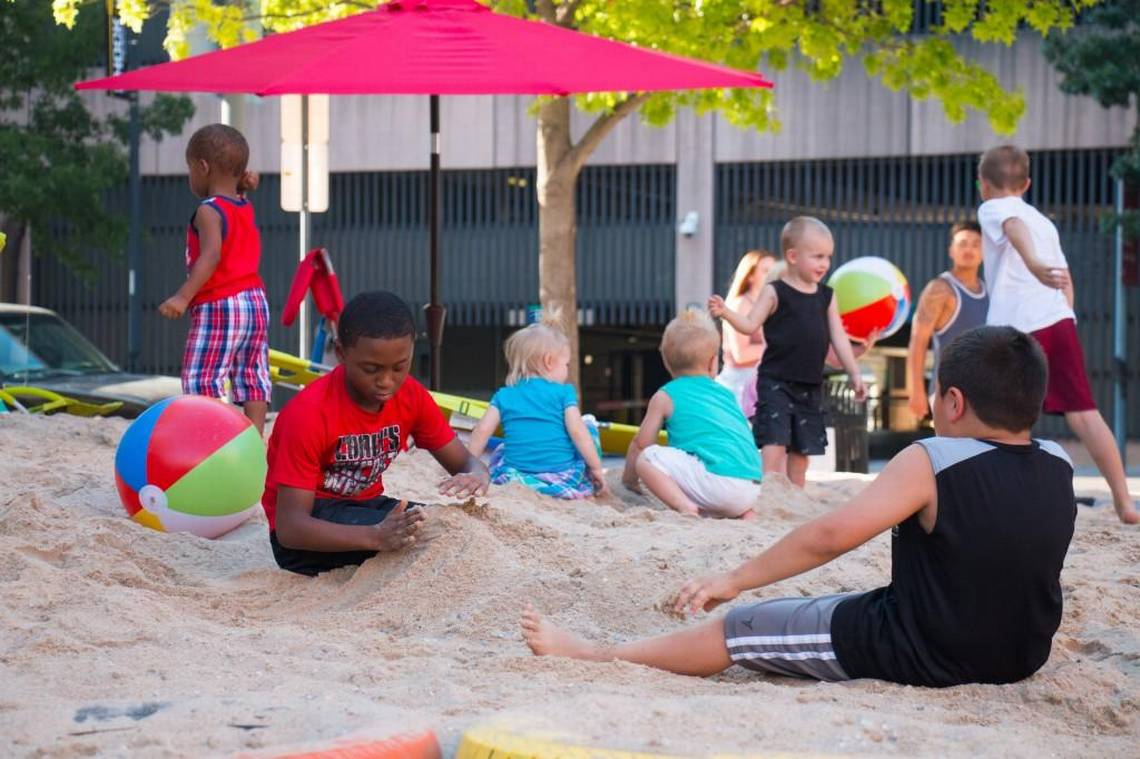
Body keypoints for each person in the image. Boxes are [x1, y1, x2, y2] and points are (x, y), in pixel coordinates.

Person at [522, 326, 1077, 688]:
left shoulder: (933, 459)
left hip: (928, 650)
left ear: (953, 401)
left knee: (741, 627)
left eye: (935, 393)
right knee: (844, 601)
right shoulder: (1058, 464)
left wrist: (735, 579)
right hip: (1021, 654)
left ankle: (596, 655)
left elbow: (831, 536)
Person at [262, 291, 491, 576]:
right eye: (371, 369)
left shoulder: (411, 396)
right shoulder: (307, 413)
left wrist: (477, 475)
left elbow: (466, 462)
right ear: (341, 353)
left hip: (368, 509)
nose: (386, 381)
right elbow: (291, 529)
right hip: (307, 535)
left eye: (400, 367)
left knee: (448, 525)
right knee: (420, 539)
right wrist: (377, 536)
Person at [977, 144, 1137, 524]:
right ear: (1027, 183)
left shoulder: (994, 208)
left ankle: (1006, 498)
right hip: (1059, 320)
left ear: (983, 184)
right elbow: (1065, 279)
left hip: (1017, 326)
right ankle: (1124, 501)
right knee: (1084, 413)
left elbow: (1013, 229)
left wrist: (1031, 265)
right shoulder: (1044, 222)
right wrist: (1065, 312)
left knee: (1004, 413)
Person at [709, 217, 867, 488]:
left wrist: (854, 374)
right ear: (792, 256)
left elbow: (838, 338)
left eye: (827, 257)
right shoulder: (775, 292)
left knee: (803, 447)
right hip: (775, 381)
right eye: (817, 256)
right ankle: (768, 490)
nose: (824, 264)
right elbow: (749, 325)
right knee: (774, 439)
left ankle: (794, 495)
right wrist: (727, 313)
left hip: (810, 383)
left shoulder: (826, 296)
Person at [158, 124, 272, 434]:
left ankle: (209, 439)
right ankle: (254, 439)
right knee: (253, 372)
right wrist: (245, 184)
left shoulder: (208, 211)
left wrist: (183, 296)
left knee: (202, 377)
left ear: (203, 167)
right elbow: (236, 198)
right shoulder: (242, 205)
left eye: (190, 169)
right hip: (255, 302)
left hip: (221, 302)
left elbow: (210, 256)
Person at [621, 309, 761, 520]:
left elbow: (642, 444)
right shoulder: (727, 395)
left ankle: (686, 507)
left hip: (717, 485)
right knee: (701, 461)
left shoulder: (666, 395)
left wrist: (630, 480)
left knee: (648, 458)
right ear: (713, 362)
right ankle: (743, 513)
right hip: (750, 486)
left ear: (666, 362)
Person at [467, 319, 609, 499]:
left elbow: (482, 430)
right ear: (549, 361)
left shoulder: (504, 395)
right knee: (588, 424)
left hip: (516, 474)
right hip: (562, 474)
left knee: (503, 448)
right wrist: (596, 468)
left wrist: (468, 467)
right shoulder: (563, 393)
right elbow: (577, 431)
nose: (567, 370)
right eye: (566, 364)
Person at [907, 220, 988, 421]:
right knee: (956, 452)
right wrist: (915, 390)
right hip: (948, 392)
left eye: (976, 244)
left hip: (984, 393)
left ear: (985, 252)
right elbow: (917, 342)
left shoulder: (990, 291)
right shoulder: (940, 289)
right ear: (951, 250)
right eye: (962, 243)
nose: (968, 249)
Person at [715, 250, 778, 418]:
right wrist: (778, 347)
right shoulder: (741, 304)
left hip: (760, 382)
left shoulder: (769, 304)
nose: (771, 275)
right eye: (765, 270)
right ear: (750, 276)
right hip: (738, 386)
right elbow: (741, 354)